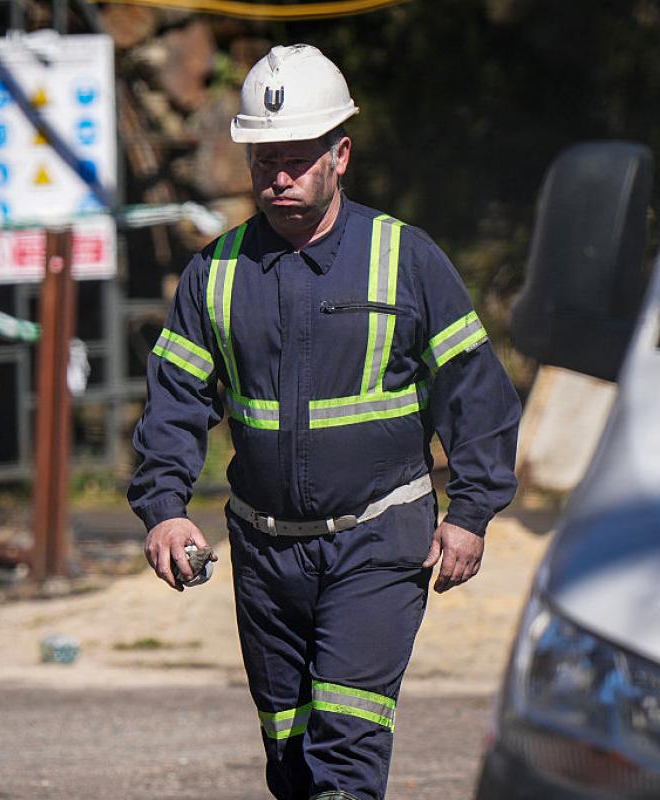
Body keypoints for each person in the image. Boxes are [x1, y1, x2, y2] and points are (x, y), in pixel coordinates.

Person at [127, 44, 520, 800]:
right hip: (266, 552)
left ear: (340, 154)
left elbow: (477, 393)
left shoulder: (404, 259)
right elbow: (175, 403)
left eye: (298, 158)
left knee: (344, 755)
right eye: (264, 158)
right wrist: (165, 512)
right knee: (293, 759)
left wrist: (470, 513)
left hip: (379, 539)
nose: (277, 175)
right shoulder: (214, 275)